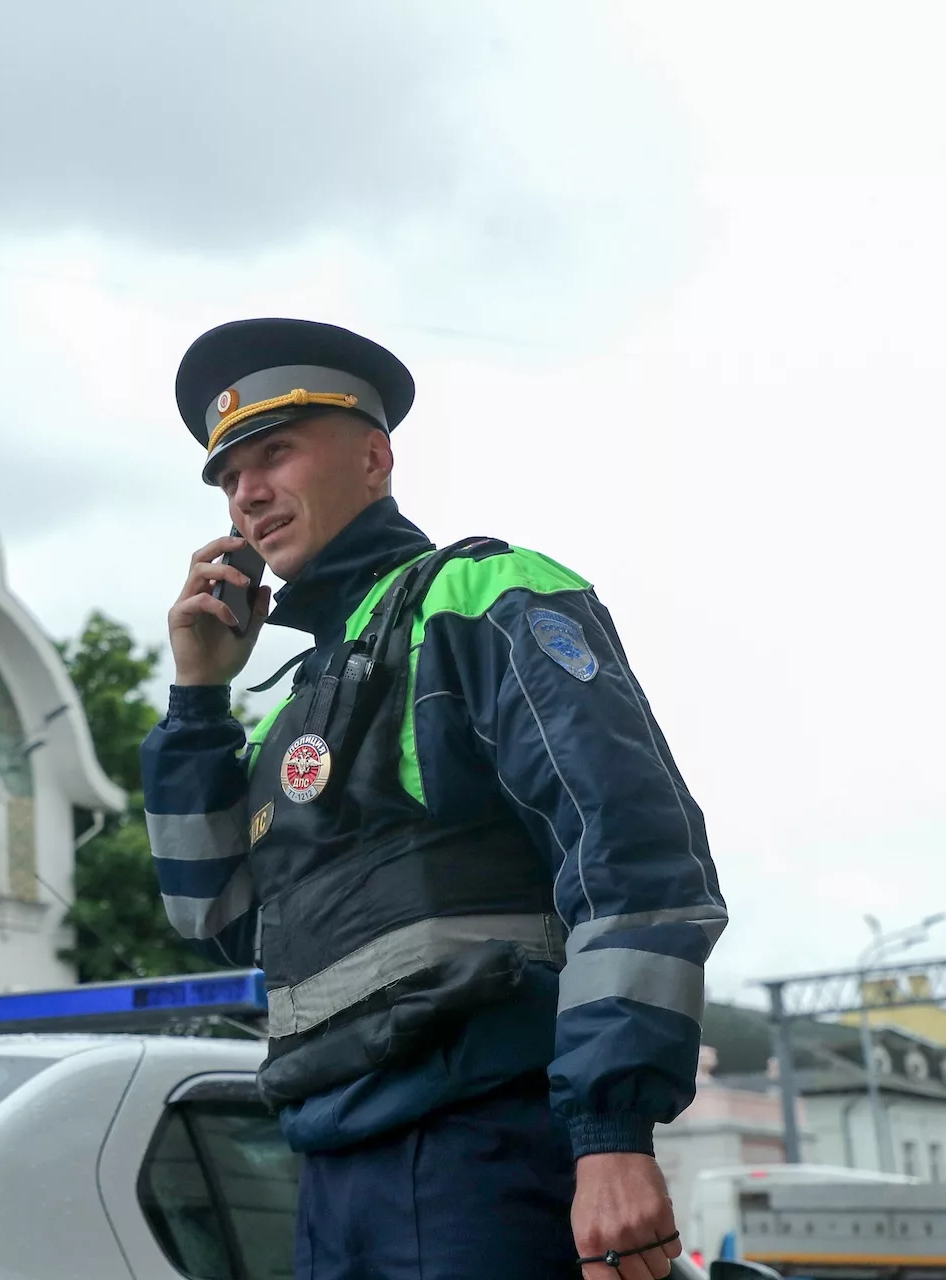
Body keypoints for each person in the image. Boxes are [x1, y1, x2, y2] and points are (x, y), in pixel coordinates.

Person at [142, 318, 726, 1280]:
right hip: (329, 1174)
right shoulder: (289, 706)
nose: (247, 493)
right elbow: (212, 917)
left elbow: (627, 859)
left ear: (374, 455)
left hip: (481, 1152)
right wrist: (198, 699)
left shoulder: (482, 597)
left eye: (274, 452)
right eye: (229, 475)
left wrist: (612, 1135)